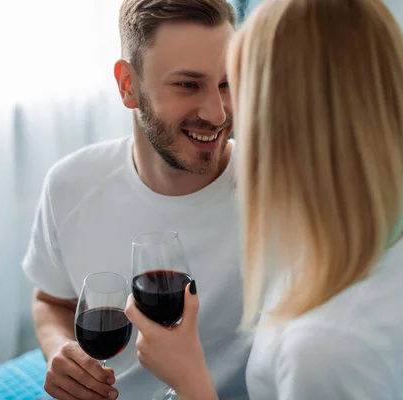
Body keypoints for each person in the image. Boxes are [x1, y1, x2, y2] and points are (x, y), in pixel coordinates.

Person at [124, 0, 403, 399]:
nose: (220, 118)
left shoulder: (321, 353)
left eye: (235, 92)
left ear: (282, 127)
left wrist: (189, 376)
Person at [21, 1, 253, 399]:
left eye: (227, 83)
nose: (217, 114)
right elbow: (51, 300)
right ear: (128, 85)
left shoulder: (276, 190)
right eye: (187, 84)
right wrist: (60, 349)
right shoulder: (70, 185)